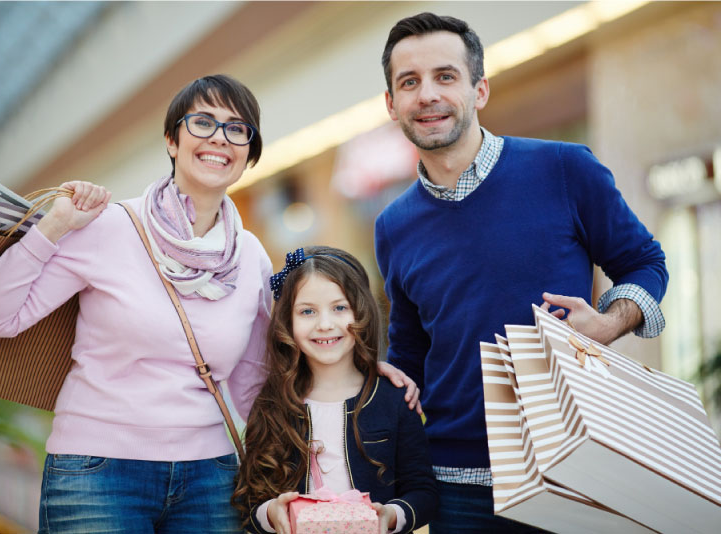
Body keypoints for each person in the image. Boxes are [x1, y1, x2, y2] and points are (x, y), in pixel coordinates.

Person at [374, 12, 669, 534]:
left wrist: (607, 324)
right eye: (409, 82)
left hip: (571, 468)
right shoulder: (393, 225)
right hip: (455, 487)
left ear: (479, 90)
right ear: (391, 104)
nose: (427, 95)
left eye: (446, 76)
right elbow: (411, 350)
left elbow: (646, 263)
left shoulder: (565, 169)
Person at [0, 74, 274, 534]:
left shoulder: (250, 257)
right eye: (203, 122)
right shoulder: (109, 227)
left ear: (248, 152)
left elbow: (254, 381)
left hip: (212, 476)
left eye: (237, 128)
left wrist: (359, 384)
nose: (219, 139)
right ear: (172, 140)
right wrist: (54, 227)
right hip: (98, 473)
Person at [233, 246, 438, 534]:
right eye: (307, 311)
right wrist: (271, 513)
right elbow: (249, 500)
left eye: (340, 308)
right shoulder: (271, 404)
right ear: (287, 323)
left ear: (362, 312)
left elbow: (424, 491)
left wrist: (390, 515)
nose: (325, 324)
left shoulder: (392, 398)